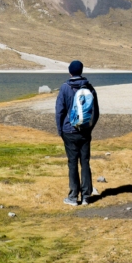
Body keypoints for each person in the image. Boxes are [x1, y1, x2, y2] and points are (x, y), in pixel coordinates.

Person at [54, 60, 100, 205]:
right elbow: (96, 112)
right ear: (81, 71)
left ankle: (73, 197)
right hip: (85, 131)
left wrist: (60, 130)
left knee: (72, 163)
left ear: (70, 72)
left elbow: (59, 111)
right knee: (85, 162)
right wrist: (90, 128)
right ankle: (86, 196)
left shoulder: (65, 88)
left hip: (69, 131)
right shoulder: (90, 88)